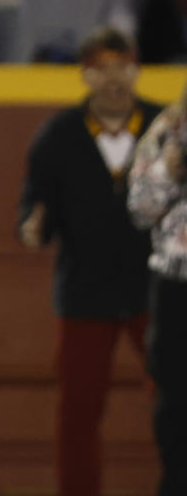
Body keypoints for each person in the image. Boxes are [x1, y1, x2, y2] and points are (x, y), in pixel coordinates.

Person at [19, 26, 161, 496]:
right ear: (85, 75)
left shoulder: (164, 130)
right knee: (77, 412)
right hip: (84, 293)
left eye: (123, 66)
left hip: (157, 291)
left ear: (138, 71)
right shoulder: (57, 136)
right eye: (103, 68)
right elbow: (34, 211)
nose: (115, 78)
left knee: (176, 400)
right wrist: (33, 228)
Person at [127, 79, 187, 496]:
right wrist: (169, 165)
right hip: (176, 288)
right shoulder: (164, 131)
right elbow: (140, 209)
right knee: (175, 406)